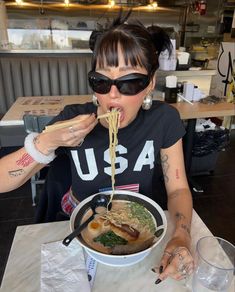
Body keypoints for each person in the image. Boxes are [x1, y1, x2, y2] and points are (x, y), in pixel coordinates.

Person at [0, 11, 194, 284]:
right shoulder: (71, 118)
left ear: (150, 82)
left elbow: (179, 189)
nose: (112, 95)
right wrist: (47, 141)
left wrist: (182, 235)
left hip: (143, 239)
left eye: (129, 82)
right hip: (81, 234)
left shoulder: (164, 120)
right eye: (101, 81)